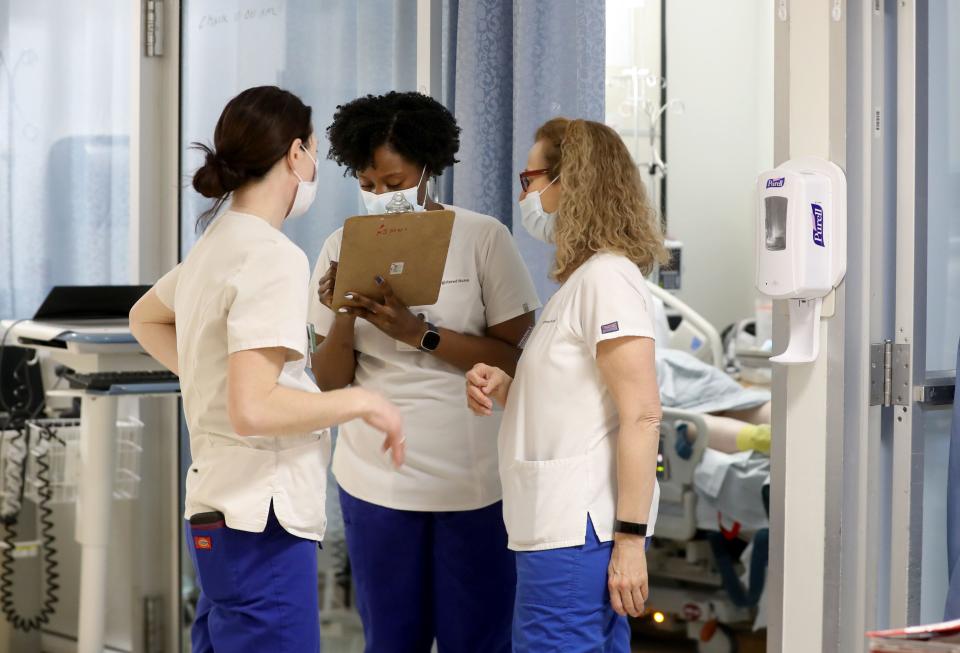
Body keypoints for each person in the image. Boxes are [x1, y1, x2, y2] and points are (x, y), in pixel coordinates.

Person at [128, 86, 404, 653]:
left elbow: (145, 318)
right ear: (295, 153)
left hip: (218, 515)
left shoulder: (215, 244)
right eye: (313, 154)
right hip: (263, 525)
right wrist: (363, 402)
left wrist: (210, 377)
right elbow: (254, 409)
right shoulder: (272, 255)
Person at [307, 91, 540, 653]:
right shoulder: (341, 244)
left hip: (474, 481)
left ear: (427, 169)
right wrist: (343, 311)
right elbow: (329, 382)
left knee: (478, 639)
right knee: (391, 640)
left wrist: (418, 334)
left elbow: (516, 359)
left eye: (393, 182)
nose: (380, 195)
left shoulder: (482, 237)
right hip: (375, 481)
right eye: (367, 183)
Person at [466, 117, 667, 652]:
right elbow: (577, 399)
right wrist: (508, 386)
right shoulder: (581, 283)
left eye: (529, 179)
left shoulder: (607, 278)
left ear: (568, 183)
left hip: (577, 534)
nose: (525, 194)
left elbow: (642, 413)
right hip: (556, 530)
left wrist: (629, 540)